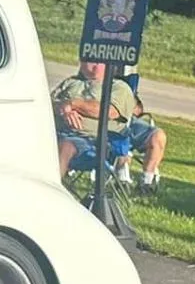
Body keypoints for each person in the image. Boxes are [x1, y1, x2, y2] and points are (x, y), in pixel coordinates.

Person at [53, 61, 165, 189]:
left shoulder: (118, 87)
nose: (92, 64)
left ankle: (51, 191)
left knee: (66, 146)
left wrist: (72, 104)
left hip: (96, 143)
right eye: (88, 60)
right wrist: (62, 108)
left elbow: (109, 111)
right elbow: (47, 104)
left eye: (97, 61)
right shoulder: (70, 83)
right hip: (56, 132)